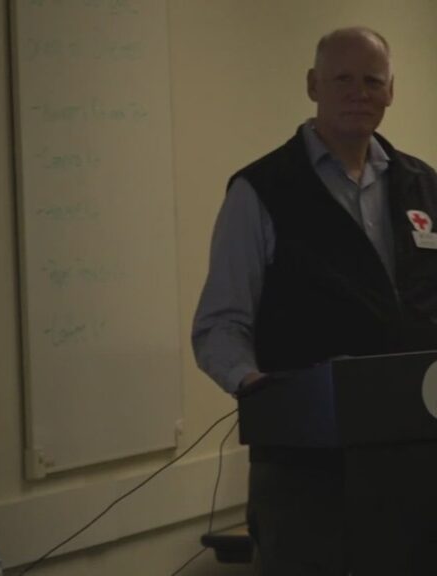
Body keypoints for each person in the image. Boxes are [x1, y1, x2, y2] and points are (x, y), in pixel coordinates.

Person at [192, 27, 437, 574]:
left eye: (372, 80)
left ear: (391, 90)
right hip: (306, 474)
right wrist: (255, 385)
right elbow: (219, 325)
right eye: (342, 79)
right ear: (312, 85)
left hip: (416, 466)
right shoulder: (260, 189)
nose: (359, 93)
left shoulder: (424, 185)